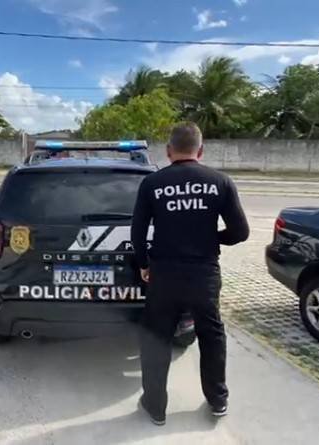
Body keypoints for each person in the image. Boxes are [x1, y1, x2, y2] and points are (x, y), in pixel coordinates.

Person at [131, 122, 249, 426]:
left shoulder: (152, 183)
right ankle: (218, 400)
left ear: (169, 150)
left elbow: (137, 232)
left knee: (156, 338)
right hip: (204, 274)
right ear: (201, 150)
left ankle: (155, 406)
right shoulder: (220, 182)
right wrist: (211, 237)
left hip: (164, 274)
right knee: (211, 336)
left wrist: (144, 264)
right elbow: (241, 232)